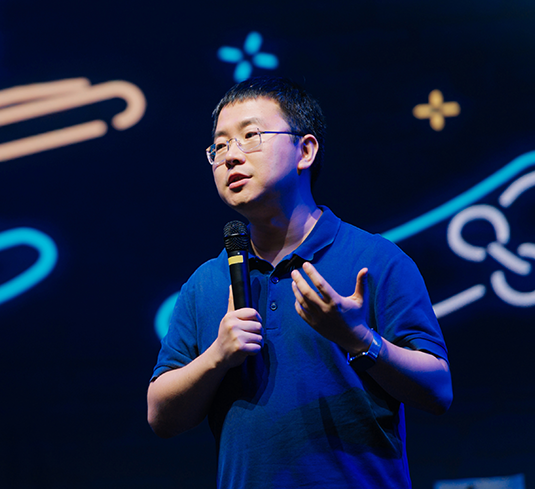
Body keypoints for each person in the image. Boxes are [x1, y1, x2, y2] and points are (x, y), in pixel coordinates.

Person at [147, 77, 451, 488]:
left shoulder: (376, 260)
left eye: (250, 136)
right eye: (219, 146)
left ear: (305, 150)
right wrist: (216, 356)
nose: (231, 156)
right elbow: (160, 417)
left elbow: (438, 391)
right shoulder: (206, 283)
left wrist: (359, 339)